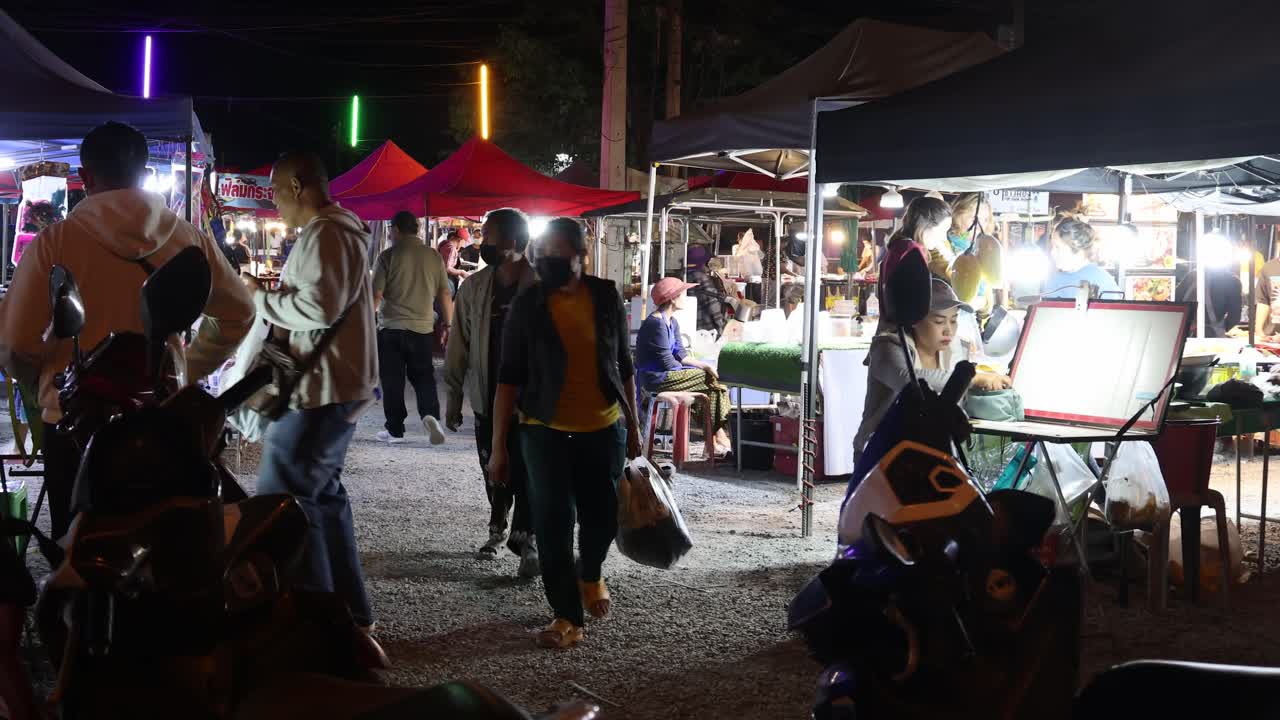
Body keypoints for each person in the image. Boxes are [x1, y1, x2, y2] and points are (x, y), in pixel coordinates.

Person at [0, 121, 254, 540]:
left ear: (85, 177)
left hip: (75, 422)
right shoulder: (186, 238)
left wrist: (45, 380)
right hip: (159, 420)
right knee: (157, 545)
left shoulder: (55, 241)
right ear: (144, 174)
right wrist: (184, 367)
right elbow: (238, 313)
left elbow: (13, 343)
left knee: (79, 548)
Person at [243, 151, 380, 638]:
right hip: (332, 386)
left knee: (286, 507)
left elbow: (318, 308)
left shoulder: (327, 233)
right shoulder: (337, 231)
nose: (275, 202)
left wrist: (256, 297)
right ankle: (349, 616)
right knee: (321, 499)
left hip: (321, 389)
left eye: (276, 191)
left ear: (298, 187)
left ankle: (319, 626)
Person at [488, 218, 641, 649]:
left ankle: (590, 571)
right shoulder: (528, 304)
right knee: (553, 526)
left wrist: (635, 423)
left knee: (602, 519)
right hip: (543, 431)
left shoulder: (606, 296)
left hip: (603, 426)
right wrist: (499, 447)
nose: (550, 261)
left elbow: (623, 366)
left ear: (581, 255)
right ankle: (566, 616)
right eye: (545, 254)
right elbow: (508, 379)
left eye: (560, 253)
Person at [444, 208, 540, 572]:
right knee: (493, 468)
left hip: (531, 403)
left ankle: (526, 538)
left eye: (488, 237)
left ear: (513, 243)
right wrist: (453, 396)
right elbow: (459, 344)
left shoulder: (541, 286)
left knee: (530, 471)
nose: (483, 244)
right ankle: (497, 526)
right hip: (487, 398)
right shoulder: (473, 287)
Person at [853, 278, 1011, 464]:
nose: (948, 330)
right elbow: (909, 381)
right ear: (914, 320)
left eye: (953, 321)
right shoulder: (888, 347)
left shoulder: (955, 349)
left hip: (932, 451)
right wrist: (973, 379)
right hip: (882, 453)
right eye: (939, 321)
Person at [371, 210, 452, 445]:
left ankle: (395, 430)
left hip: (391, 328)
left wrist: (366, 321)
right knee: (424, 377)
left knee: (393, 380)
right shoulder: (433, 256)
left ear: (395, 229)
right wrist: (448, 324)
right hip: (422, 329)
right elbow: (445, 292)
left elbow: (376, 295)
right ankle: (431, 416)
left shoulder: (388, 256)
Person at [635, 277, 733, 456]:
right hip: (656, 378)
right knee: (714, 381)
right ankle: (718, 437)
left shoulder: (672, 322)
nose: (685, 297)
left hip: (669, 374)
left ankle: (711, 442)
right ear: (672, 298)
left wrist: (704, 365)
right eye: (682, 293)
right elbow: (668, 362)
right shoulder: (656, 324)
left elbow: (681, 354)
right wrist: (698, 372)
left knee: (714, 387)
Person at [1043, 216, 1121, 300]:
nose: (1052, 252)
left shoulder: (1102, 281)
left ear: (1077, 248)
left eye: (1057, 247)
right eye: (1052, 247)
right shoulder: (1053, 279)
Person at [439, 228, 473, 296]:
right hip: (446, 282)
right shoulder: (452, 249)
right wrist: (462, 272)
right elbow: (447, 268)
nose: (463, 245)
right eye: (464, 242)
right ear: (460, 240)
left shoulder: (445, 243)